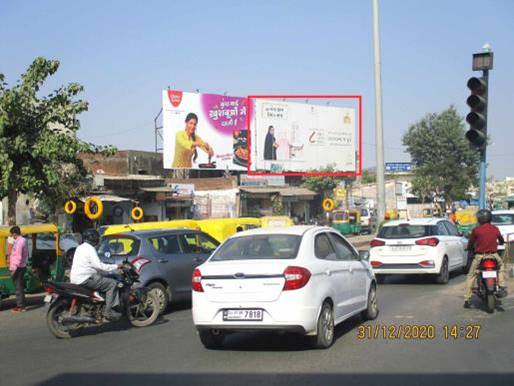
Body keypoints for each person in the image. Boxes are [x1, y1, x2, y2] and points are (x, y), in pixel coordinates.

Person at [70, 229, 122, 320]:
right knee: (112, 283)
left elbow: (91, 265)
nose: (98, 240)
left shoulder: (80, 247)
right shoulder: (90, 249)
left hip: (75, 278)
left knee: (102, 279)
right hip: (85, 278)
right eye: (96, 238)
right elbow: (99, 266)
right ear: (93, 239)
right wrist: (116, 266)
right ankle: (108, 311)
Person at [463, 209, 508, 308]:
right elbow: (501, 239)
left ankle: (467, 299)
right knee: (500, 267)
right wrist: (500, 242)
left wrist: (469, 248)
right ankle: (502, 286)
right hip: (494, 255)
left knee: (471, 276)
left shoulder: (476, 230)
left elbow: (471, 243)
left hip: (480, 256)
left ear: (479, 219)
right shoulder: (495, 228)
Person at [9, 226, 29, 313]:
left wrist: (14, 269)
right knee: (19, 286)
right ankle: (20, 305)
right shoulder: (19, 241)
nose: (11, 236)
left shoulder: (20, 242)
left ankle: (21, 306)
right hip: (19, 266)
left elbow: (18, 256)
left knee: (18, 287)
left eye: (12, 234)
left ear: (15, 233)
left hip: (18, 267)